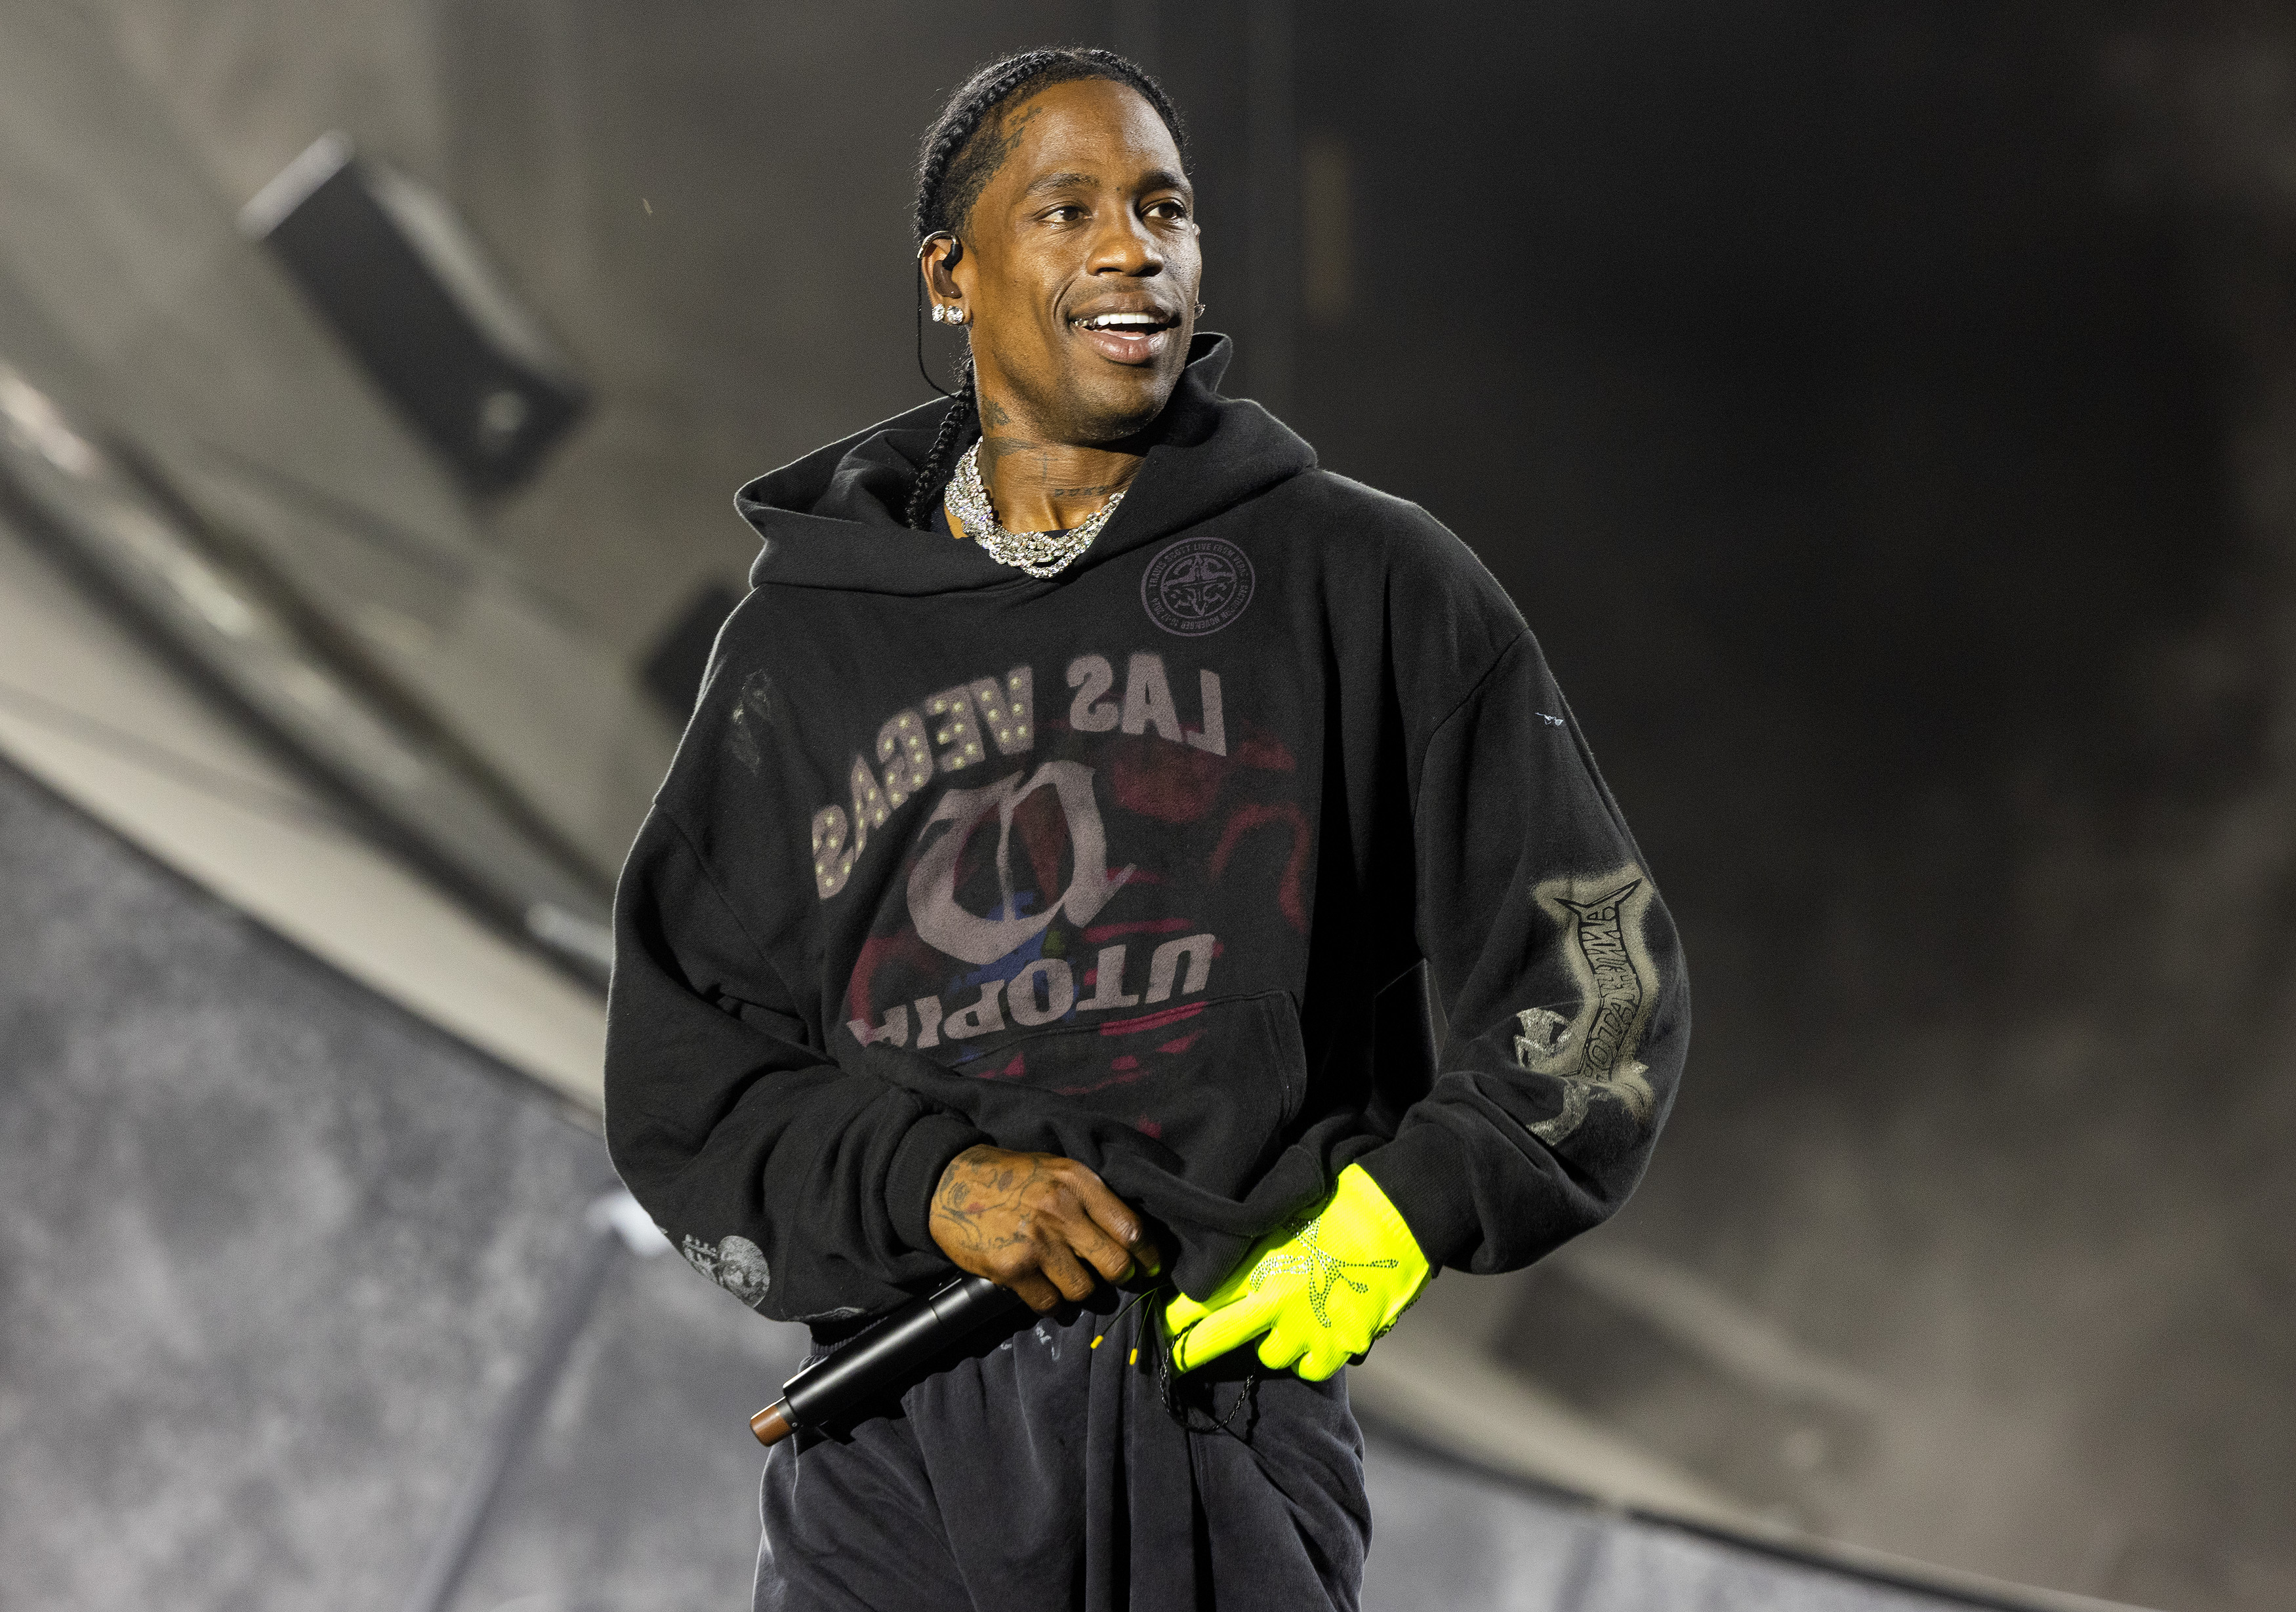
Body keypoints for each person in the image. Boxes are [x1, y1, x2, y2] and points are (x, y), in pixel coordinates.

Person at [604, 46, 1687, 1612]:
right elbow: (685, 1080)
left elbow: (1602, 971)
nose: (1135, 249)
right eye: (1069, 210)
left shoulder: (1361, 577)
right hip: (894, 1448)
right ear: (950, 274)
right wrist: (931, 1185)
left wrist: (1408, 1207)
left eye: (1165, 209)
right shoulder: (803, 651)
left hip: (1217, 1420)